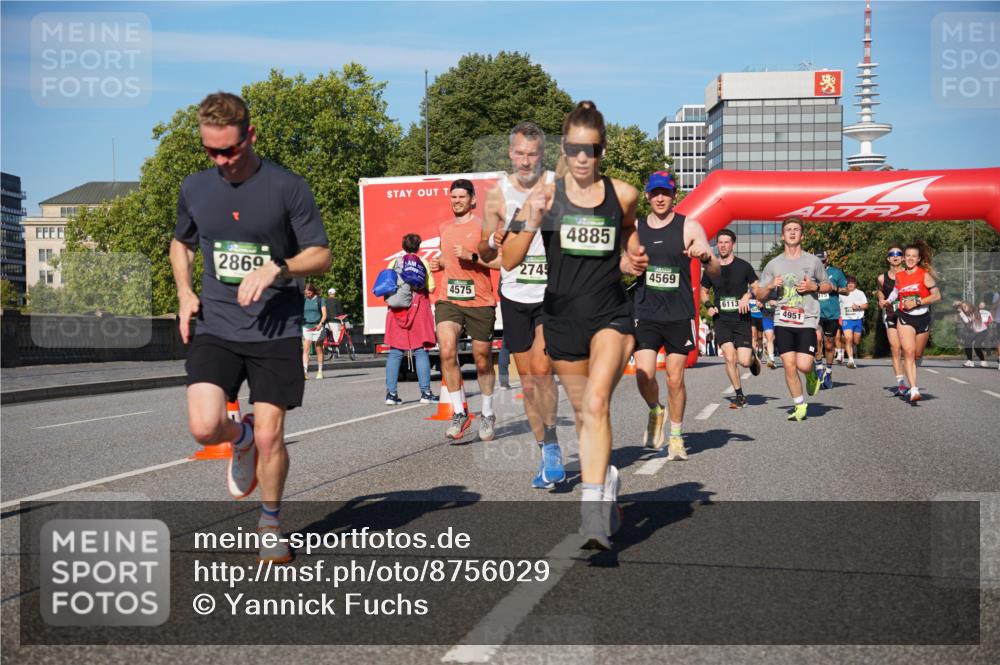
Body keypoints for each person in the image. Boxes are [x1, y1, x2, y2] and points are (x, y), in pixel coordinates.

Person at [170, 91, 330, 563]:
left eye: (230, 150)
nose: (222, 160)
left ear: (251, 136)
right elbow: (182, 244)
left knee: (271, 437)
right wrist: (184, 292)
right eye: (211, 151)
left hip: (275, 328)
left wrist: (277, 268)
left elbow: (321, 255)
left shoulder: (287, 187)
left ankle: (271, 522)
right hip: (216, 322)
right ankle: (238, 439)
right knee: (203, 427)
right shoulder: (196, 187)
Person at [504, 101, 659, 550]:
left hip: (610, 312)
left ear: (602, 149)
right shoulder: (546, 197)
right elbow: (511, 260)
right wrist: (530, 215)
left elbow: (629, 230)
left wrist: (633, 255)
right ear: (564, 148)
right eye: (574, 148)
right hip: (561, 319)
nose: (582, 158)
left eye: (590, 149)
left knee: (596, 404)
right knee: (583, 415)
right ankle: (605, 476)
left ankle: (592, 514)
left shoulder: (624, 194)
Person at [479, 121, 563, 489]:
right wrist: (493, 240)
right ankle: (546, 448)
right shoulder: (497, 195)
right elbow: (483, 250)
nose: (526, 160)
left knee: (543, 370)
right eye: (520, 152)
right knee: (529, 383)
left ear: (541, 154)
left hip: (551, 292)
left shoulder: (554, 186)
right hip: (514, 295)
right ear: (510, 153)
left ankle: (555, 445)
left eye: (533, 153)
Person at [630, 170, 720, 459]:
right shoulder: (636, 228)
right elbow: (620, 261)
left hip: (679, 313)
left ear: (674, 196)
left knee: (674, 378)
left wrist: (706, 256)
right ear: (647, 196)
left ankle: (677, 436)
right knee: (644, 373)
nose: (660, 198)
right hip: (645, 311)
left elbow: (715, 270)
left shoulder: (689, 226)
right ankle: (657, 410)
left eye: (665, 193)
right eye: (655, 193)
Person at [428, 179, 502, 441]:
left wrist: (472, 256)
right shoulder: (444, 227)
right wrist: (439, 263)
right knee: (446, 351)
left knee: (482, 359)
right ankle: (460, 412)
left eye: (461, 197)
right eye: (453, 197)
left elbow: (500, 262)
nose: (456, 201)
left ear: (473, 200)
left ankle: (488, 413)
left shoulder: (485, 228)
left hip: (480, 301)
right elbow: (446, 257)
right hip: (449, 299)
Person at [756, 217, 831, 421]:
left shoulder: (813, 261)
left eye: (796, 229)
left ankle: (811, 374)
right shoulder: (773, 264)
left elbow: (827, 286)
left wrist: (814, 287)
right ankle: (799, 404)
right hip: (782, 319)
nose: (792, 232)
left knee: (804, 365)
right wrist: (770, 286)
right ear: (782, 236)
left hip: (806, 318)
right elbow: (760, 295)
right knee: (789, 365)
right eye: (788, 229)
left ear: (802, 235)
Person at [701, 228, 760, 408]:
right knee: (729, 357)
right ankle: (739, 395)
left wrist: (747, 296)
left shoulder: (744, 266)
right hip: (722, 320)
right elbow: (703, 292)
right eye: (720, 242)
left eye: (727, 242)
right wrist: (709, 306)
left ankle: (752, 359)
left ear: (733, 244)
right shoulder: (711, 268)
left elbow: (757, 288)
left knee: (743, 361)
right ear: (717, 245)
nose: (723, 245)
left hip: (741, 319)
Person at [384, 234, 438, 404]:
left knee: (395, 352)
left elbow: (387, 284)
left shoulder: (394, 263)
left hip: (398, 309)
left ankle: (391, 395)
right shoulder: (423, 263)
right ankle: (426, 393)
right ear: (419, 246)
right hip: (418, 308)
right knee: (420, 350)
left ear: (403, 246)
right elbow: (431, 286)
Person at [891, 240, 941, 402]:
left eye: (914, 256)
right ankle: (913, 389)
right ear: (904, 258)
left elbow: (937, 296)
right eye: (908, 256)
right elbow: (895, 292)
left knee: (917, 354)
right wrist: (886, 301)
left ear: (918, 259)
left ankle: (911, 371)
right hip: (905, 317)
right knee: (909, 353)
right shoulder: (899, 276)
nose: (911, 259)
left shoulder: (924, 275)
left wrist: (917, 302)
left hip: (922, 317)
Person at [813, 250, 848, 389]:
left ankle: (828, 371)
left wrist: (835, 288)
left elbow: (846, 290)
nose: (820, 263)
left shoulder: (836, 272)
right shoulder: (809, 273)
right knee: (817, 339)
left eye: (823, 261)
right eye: (818, 261)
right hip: (815, 312)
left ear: (827, 260)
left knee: (829, 344)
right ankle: (819, 368)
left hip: (832, 313)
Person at [876, 245, 907, 395]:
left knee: (910, 351)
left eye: (898, 254)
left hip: (909, 314)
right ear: (888, 258)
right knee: (895, 348)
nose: (895, 256)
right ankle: (901, 384)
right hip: (890, 313)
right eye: (892, 254)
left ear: (903, 258)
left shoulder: (909, 274)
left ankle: (910, 376)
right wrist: (881, 299)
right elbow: (880, 292)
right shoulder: (882, 278)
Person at [839, 275, 868, 368]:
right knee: (848, 339)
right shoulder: (841, 293)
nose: (850, 285)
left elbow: (866, 305)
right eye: (848, 283)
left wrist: (858, 307)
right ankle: (850, 360)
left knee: (856, 341)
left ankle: (853, 346)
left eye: (852, 283)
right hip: (846, 319)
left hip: (858, 319)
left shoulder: (860, 293)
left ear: (855, 284)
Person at [955, 301, 993, 368]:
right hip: (974, 332)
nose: (964, 308)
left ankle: (983, 361)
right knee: (967, 343)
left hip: (982, 331)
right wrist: (958, 305)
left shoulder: (974, 312)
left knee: (976, 345)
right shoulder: (965, 313)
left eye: (965, 306)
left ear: (969, 306)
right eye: (963, 307)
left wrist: (961, 312)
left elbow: (967, 321)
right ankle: (970, 361)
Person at [302, 283, 326, 379]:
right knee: (306, 349)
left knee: (318, 348)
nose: (307, 295)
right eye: (305, 293)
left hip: (318, 326)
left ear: (312, 291)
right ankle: (304, 372)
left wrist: (320, 324)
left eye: (308, 293)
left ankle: (320, 371)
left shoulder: (320, 300)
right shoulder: (303, 300)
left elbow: (324, 314)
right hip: (307, 326)